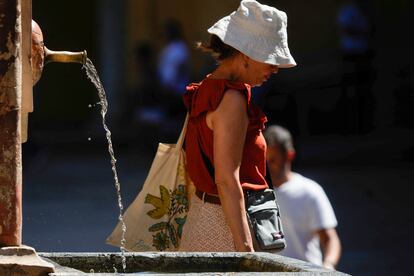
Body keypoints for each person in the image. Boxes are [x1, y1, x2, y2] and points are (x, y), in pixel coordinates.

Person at [179, 0, 296, 252]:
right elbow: (226, 180)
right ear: (246, 54)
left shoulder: (208, 87)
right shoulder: (231, 98)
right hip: (225, 228)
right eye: (270, 59)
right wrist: (245, 251)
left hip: (205, 219)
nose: (275, 69)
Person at [264, 125, 341, 269]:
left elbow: (330, 239)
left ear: (289, 155)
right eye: (265, 161)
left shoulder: (310, 191)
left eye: (273, 160)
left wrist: (328, 267)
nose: (268, 166)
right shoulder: (257, 194)